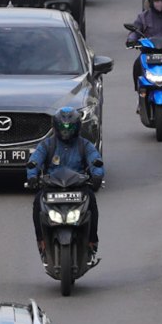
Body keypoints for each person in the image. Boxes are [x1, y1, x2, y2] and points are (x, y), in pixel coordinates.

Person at [26, 106, 104, 257]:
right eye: (62, 127)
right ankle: (41, 240)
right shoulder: (47, 145)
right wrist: (32, 176)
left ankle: (92, 240)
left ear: (77, 127)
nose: (66, 131)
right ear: (56, 126)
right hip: (52, 187)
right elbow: (34, 161)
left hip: (78, 188)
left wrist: (97, 176)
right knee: (37, 202)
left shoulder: (84, 145)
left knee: (92, 201)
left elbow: (96, 160)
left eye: (70, 127)